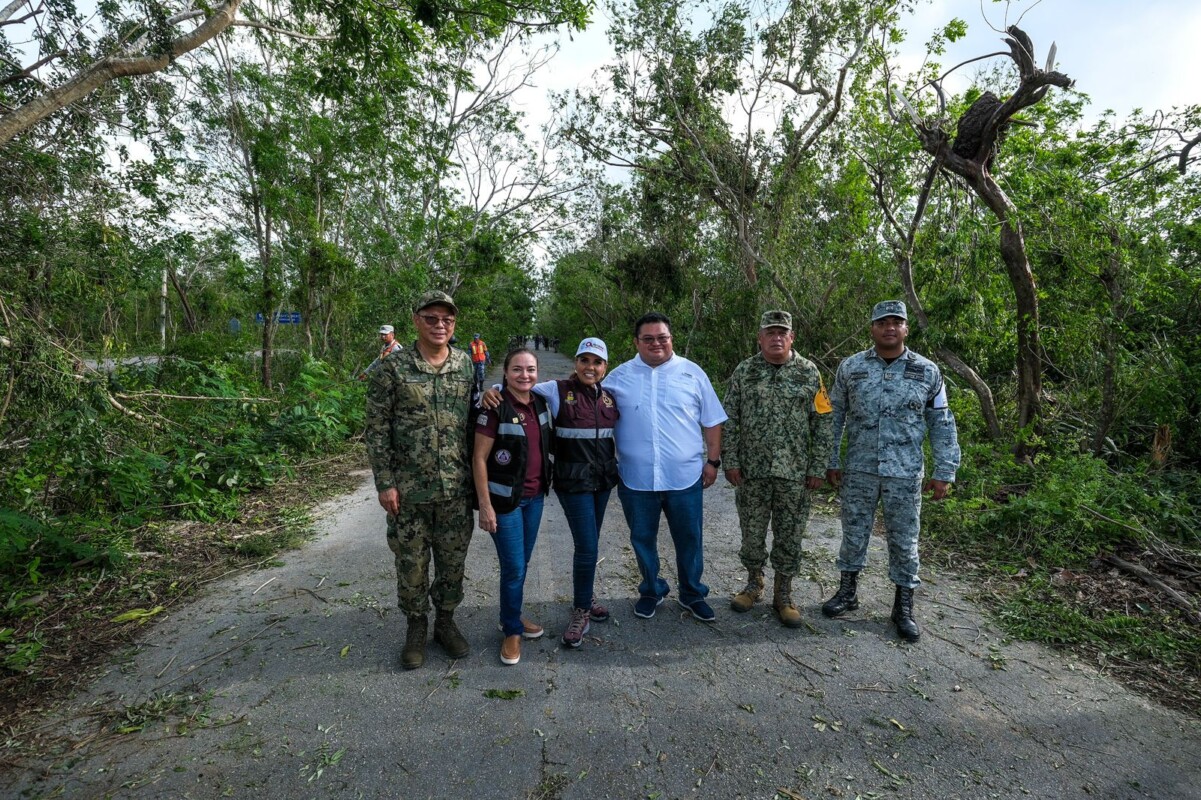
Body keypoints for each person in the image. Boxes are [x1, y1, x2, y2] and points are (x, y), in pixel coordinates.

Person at [822, 300, 961, 643]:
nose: (889, 328)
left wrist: (945, 470)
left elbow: (942, 423)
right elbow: (834, 415)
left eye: (896, 322)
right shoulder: (851, 368)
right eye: (882, 322)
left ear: (905, 329)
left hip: (905, 472)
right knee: (854, 532)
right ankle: (848, 592)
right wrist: (829, 460)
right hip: (860, 468)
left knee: (904, 541)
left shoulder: (927, 371)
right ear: (872, 328)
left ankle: (903, 606)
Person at [481, 336, 620, 649]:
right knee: (586, 546)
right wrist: (490, 392)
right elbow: (519, 388)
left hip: (602, 483)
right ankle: (581, 610)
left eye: (597, 362)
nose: (590, 367)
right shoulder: (556, 391)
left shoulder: (610, 397)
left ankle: (585, 595)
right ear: (576, 363)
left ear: (604, 367)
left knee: (591, 544)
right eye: (584, 360)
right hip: (573, 484)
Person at [365, 291, 475, 670]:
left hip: (456, 488)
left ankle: (445, 621)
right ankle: (416, 625)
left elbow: (474, 419)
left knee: (452, 561)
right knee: (411, 563)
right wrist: (385, 483)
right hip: (408, 490)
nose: (440, 325)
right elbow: (376, 429)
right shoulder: (391, 369)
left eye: (447, 319)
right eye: (431, 318)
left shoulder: (465, 364)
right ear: (415, 320)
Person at [603, 312, 727, 622]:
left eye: (662, 337)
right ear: (636, 342)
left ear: (671, 339)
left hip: (684, 478)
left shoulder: (692, 373)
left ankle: (692, 593)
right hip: (635, 479)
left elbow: (712, 421)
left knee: (690, 539)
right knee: (642, 539)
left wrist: (713, 461)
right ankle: (651, 589)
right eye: (648, 338)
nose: (656, 343)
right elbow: (586, 405)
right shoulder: (617, 378)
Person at [723, 310, 835, 627]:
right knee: (752, 534)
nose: (776, 338)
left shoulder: (809, 373)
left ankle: (783, 594)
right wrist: (730, 460)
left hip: (795, 473)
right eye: (770, 333)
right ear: (760, 338)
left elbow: (824, 423)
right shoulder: (744, 372)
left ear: (791, 337)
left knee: (790, 536)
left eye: (782, 333)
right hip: (751, 472)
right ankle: (754, 584)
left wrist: (818, 467)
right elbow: (729, 419)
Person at [473, 348, 552, 666]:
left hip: (534, 499)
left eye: (531, 369)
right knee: (514, 568)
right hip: (505, 502)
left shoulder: (542, 403)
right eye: (517, 370)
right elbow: (478, 458)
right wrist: (485, 505)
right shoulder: (494, 407)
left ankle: (511, 616)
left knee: (520, 565)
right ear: (505, 373)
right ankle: (511, 630)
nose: (525, 375)